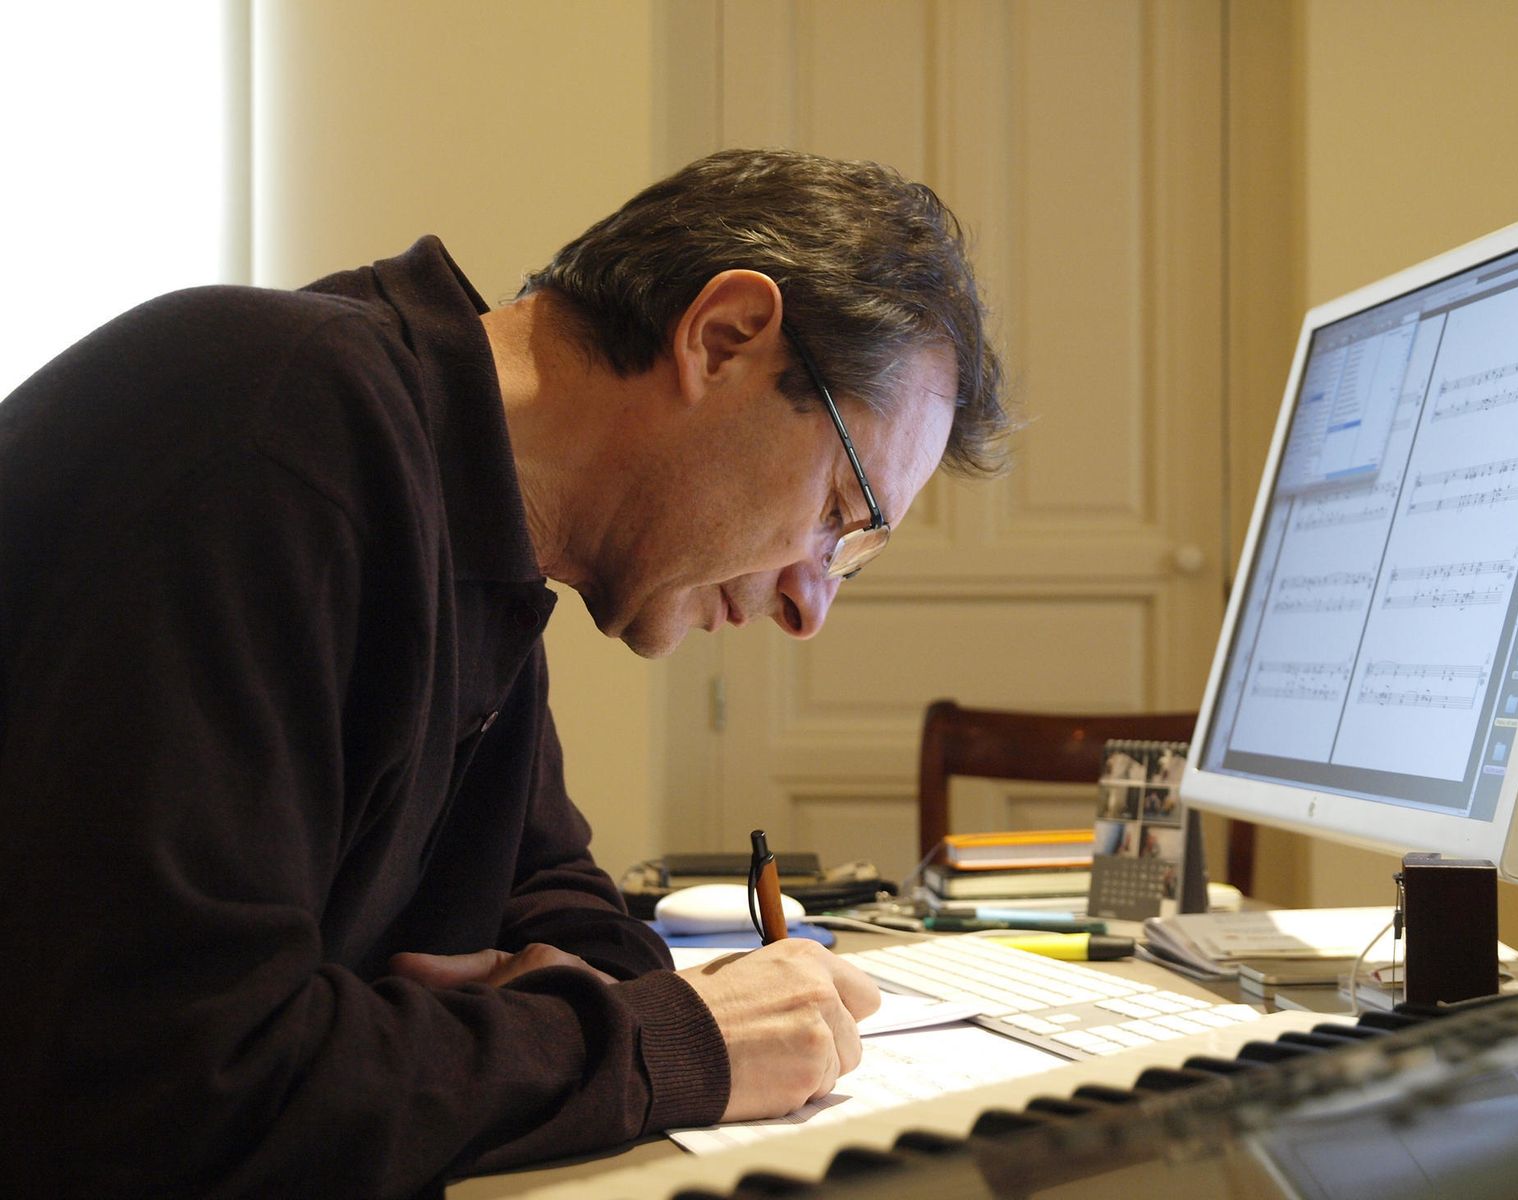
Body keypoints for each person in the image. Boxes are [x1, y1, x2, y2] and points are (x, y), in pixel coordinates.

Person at [0, 148, 1008, 1198]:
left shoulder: (481, 542)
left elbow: (548, 894)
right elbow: (160, 1093)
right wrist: (655, 1043)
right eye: (840, 516)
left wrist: (573, 1005)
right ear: (723, 339)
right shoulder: (271, 427)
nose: (810, 607)